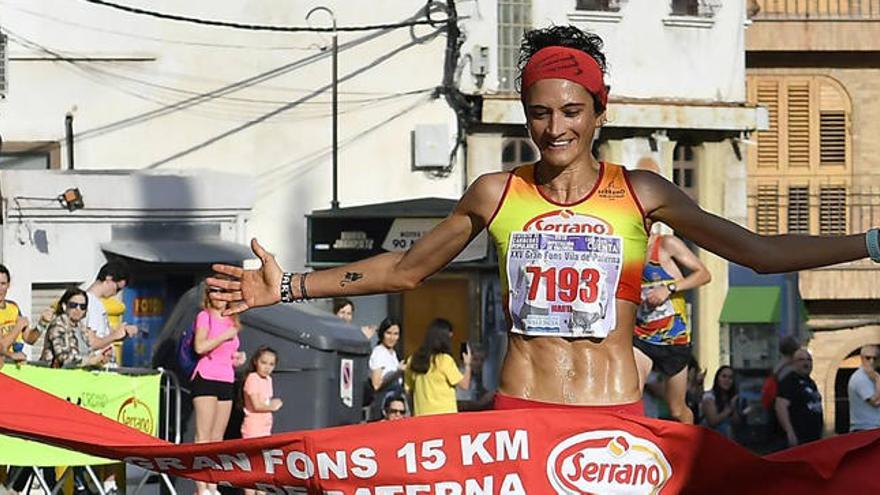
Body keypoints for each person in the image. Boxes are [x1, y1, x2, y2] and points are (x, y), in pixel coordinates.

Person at [209, 25, 880, 413]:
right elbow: (405, 270)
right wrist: (292, 286)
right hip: (524, 413)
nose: (554, 127)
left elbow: (757, 252)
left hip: (615, 413)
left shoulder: (644, 192)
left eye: (571, 110)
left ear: (598, 111)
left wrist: (871, 241)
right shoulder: (496, 191)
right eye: (540, 111)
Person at [633, 232, 711, 424]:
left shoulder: (666, 244)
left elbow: (704, 274)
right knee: (632, 395)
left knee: (676, 409)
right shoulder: (628, 251)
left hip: (674, 338)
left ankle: (691, 445)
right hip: (642, 335)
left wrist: (669, 288)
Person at [191, 284, 246, 495]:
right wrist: (225, 336)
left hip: (226, 378)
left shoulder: (232, 320)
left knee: (217, 439)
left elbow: (227, 352)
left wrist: (237, 358)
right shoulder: (205, 316)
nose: (219, 296)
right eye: (215, 291)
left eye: (223, 292)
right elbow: (200, 347)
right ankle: (200, 485)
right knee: (202, 437)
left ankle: (212, 483)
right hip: (206, 377)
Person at [404, 319, 472, 416]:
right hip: (444, 416)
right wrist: (467, 365)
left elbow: (408, 391)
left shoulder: (413, 360)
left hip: (421, 416)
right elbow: (464, 385)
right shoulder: (444, 360)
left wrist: (413, 412)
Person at [38, 288, 109, 368]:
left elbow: (89, 354)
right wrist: (89, 361)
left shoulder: (81, 327)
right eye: (73, 305)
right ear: (64, 306)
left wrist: (100, 359)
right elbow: (63, 358)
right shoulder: (58, 324)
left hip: (78, 375)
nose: (78, 309)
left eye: (82, 307)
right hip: (56, 375)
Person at [84, 262, 138, 363]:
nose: (115, 293)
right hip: (96, 368)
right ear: (108, 279)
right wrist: (115, 336)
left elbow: (103, 335)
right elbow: (92, 343)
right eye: (117, 288)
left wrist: (122, 332)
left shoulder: (97, 303)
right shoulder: (90, 303)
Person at [775, 348, 823, 446]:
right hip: (799, 438)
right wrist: (790, 432)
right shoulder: (790, 381)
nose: (806, 363)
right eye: (801, 360)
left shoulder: (810, 382)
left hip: (813, 438)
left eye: (809, 360)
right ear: (794, 363)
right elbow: (780, 406)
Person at [368, 317, 406, 417]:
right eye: (388, 333)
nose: (392, 338)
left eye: (395, 334)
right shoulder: (379, 352)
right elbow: (376, 385)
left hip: (395, 406)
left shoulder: (393, 354)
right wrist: (397, 373)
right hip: (383, 407)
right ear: (382, 334)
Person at [0, 264, 36, 364]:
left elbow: (29, 339)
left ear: (8, 285)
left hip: (14, 367)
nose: (0, 288)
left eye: (3, 283)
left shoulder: (13, 307)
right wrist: (18, 326)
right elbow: (2, 346)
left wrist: (43, 324)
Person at [848, 344, 880, 432]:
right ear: (861, 359)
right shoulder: (860, 377)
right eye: (868, 358)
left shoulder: (874, 375)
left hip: (873, 428)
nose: (871, 361)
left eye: (875, 358)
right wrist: (878, 379)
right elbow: (875, 402)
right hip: (865, 428)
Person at [701, 365, 739, 438]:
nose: (727, 380)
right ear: (717, 378)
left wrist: (734, 408)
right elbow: (712, 421)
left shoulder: (731, 397)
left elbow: (737, 423)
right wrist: (729, 409)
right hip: (710, 437)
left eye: (730, 377)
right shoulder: (709, 396)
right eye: (724, 376)